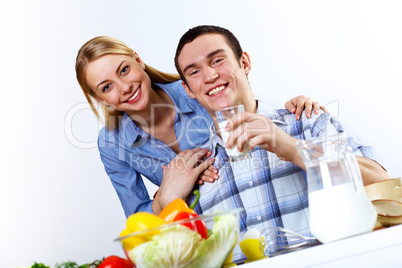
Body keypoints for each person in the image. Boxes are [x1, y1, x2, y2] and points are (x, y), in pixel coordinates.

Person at [173, 25, 389, 261]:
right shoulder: (196, 172)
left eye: (217, 60)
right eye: (194, 72)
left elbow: (382, 182)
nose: (209, 76)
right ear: (188, 90)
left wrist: (293, 148)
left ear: (244, 63)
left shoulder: (306, 123)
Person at [75, 36, 324, 218]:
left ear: (138, 60)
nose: (124, 87)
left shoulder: (195, 90)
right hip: (195, 229)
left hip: (250, 206)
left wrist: (294, 108)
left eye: (124, 70)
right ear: (99, 99)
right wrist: (167, 196)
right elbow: (138, 219)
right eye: (106, 87)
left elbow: (246, 110)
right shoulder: (111, 143)